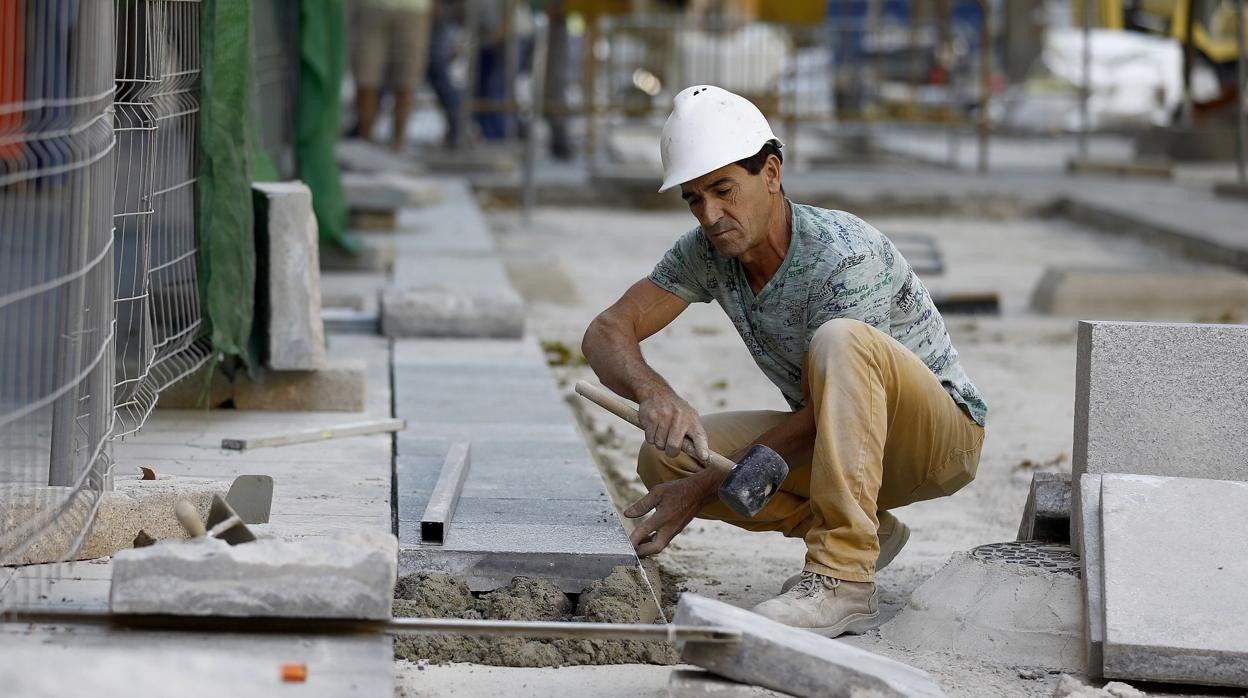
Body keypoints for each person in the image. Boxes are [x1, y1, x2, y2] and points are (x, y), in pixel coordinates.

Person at [581, 85, 988, 638]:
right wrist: (654, 392)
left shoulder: (844, 254)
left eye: (723, 190)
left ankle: (843, 577)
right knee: (670, 461)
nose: (711, 214)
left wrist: (704, 493)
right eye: (694, 199)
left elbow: (835, 404)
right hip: (841, 440)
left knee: (842, 341)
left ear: (771, 173)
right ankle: (869, 529)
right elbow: (607, 330)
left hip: (936, 441)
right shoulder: (707, 252)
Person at [354, 0, 434, 152]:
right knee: (366, 77)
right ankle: (364, 146)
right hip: (372, 8)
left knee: (407, 80)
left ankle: (398, 146)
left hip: (414, 8)